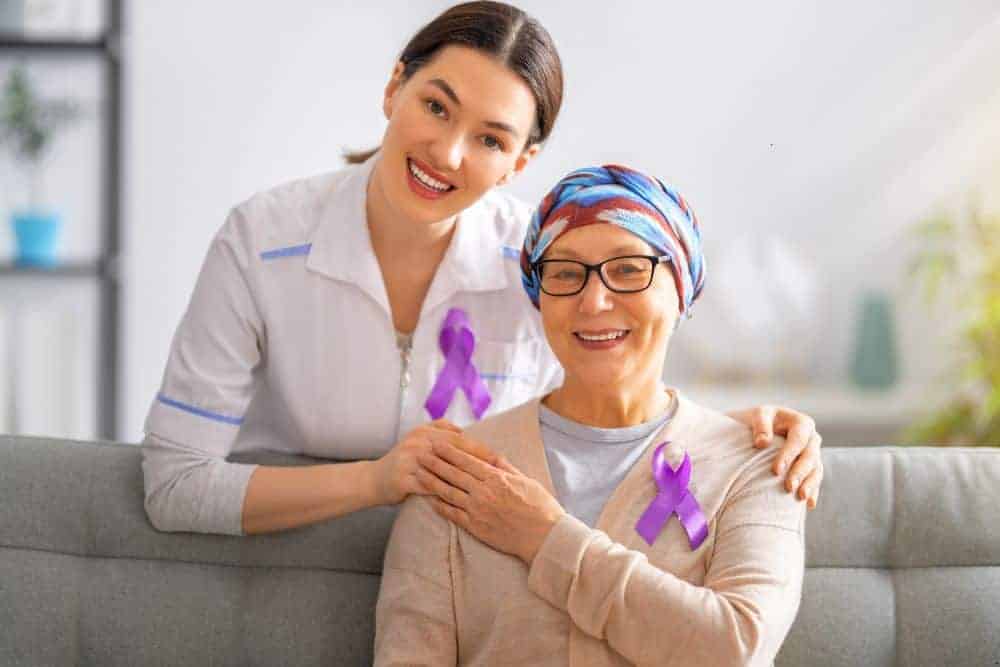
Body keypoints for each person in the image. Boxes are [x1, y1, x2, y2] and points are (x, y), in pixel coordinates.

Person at [141, 1, 823, 538]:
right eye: (435, 106)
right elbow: (174, 483)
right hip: (286, 565)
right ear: (393, 88)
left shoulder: (545, 263)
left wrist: (740, 437)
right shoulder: (261, 241)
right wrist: (376, 481)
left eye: (491, 138)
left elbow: (609, 427)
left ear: (520, 162)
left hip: (469, 583)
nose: (448, 152)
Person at [375, 165, 806, 666]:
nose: (594, 299)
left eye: (628, 269)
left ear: (682, 289)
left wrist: (543, 536)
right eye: (565, 273)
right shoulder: (455, 473)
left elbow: (735, 647)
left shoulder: (759, 464)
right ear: (540, 297)